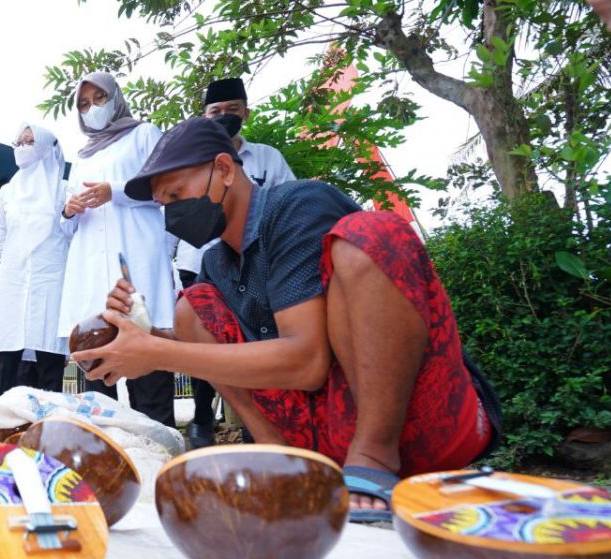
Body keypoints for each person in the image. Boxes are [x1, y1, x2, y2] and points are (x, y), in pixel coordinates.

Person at [73, 118, 498, 522]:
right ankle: (285, 460)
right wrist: (141, 336)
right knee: (192, 309)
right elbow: (198, 348)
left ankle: (375, 457)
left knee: (369, 235)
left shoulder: (296, 207)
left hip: (423, 422)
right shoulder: (217, 262)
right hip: (328, 435)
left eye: (177, 194)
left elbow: (307, 361)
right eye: (164, 204)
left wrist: (157, 353)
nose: (173, 212)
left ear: (224, 170)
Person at [177, 77, 297, 449]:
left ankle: (256, 426)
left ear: (246, 112)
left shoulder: (267, 158)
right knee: (203, 337)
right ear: (204, 116)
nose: (224, 116)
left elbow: (287, 200)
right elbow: (172, 216)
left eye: (232, 110)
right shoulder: (190, 161)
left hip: (256, 261)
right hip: (199, 260)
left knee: (254, 337)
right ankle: (201, 417)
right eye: (215, 111)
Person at [56, 72, 176, 426]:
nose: (91, 108)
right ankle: (107, 449)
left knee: (148, 369)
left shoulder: (143, 135)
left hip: (135, 263)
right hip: (92, 271)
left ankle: (159, 447)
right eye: (83, 104)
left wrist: (115, 191)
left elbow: (165, 185)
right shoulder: (81, 157)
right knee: (97, 381)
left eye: (99, 99)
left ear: (115, 98)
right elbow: (66, 227)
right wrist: (69, 210)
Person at [0, 123, 71, 397]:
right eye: (20, 142)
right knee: (6, 357)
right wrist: (16, 262)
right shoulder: (7, 191)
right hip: (14, 280)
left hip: (49, 279)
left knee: (49, 356)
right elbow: (1, 235)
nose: (23, 148)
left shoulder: (63, 189)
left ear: (46, 148)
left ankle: (50, 420)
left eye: (30, 142)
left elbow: (71, 231)